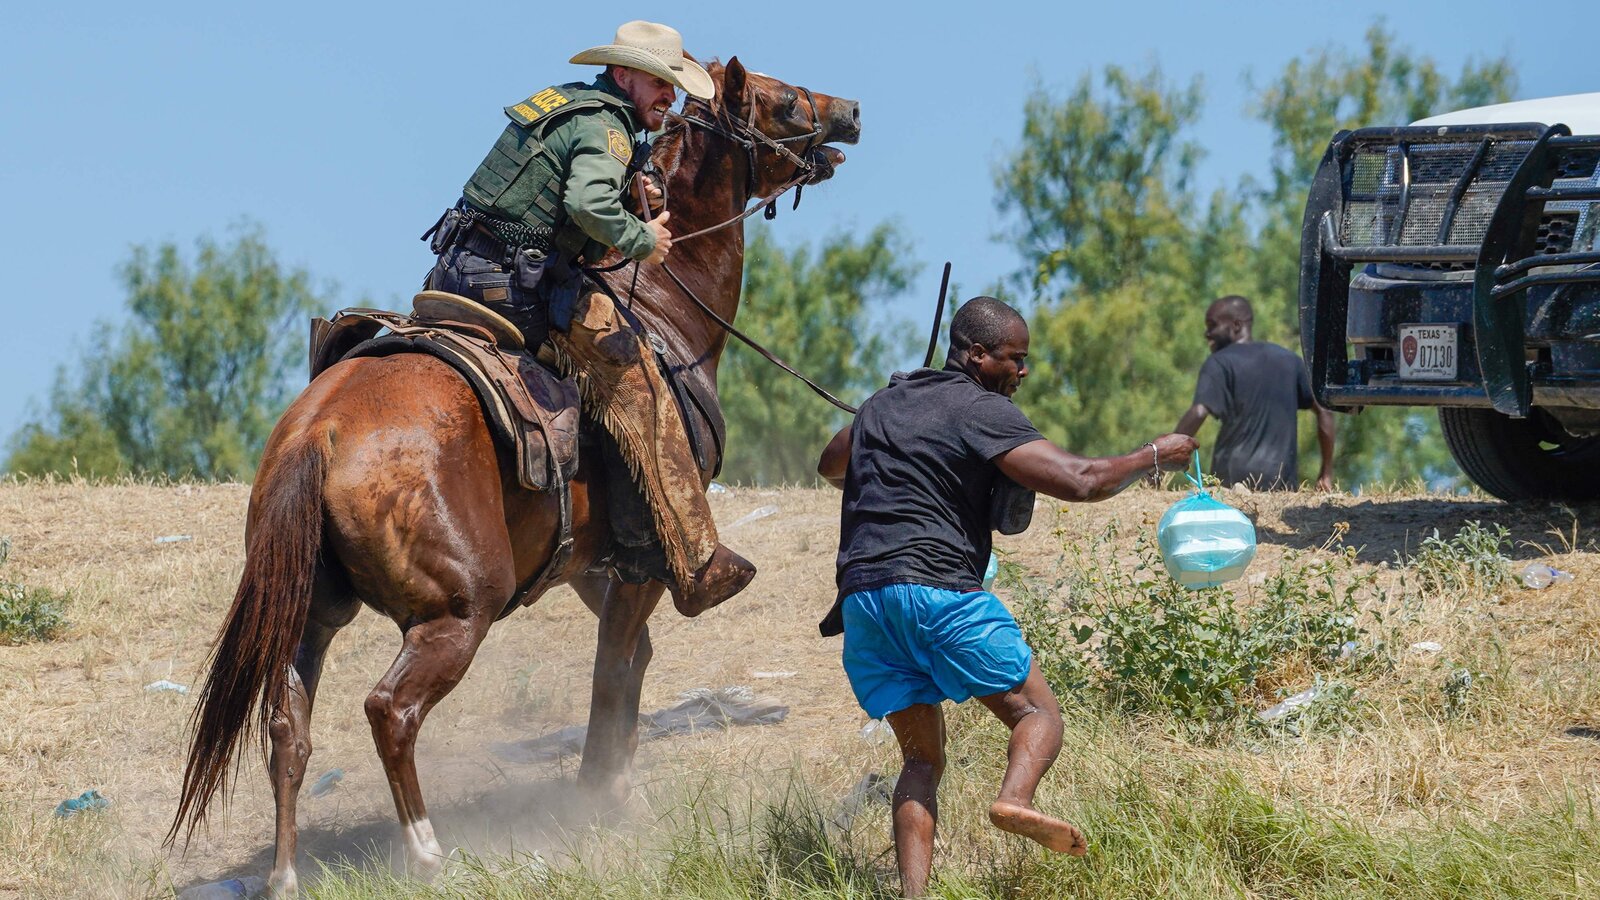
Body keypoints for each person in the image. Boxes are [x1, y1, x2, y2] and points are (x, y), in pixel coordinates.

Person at [816, 297, 1197, 896]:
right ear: (975, 354)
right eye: (1015, 359)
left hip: (864, 604)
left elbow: (831, 463)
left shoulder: (884, 404)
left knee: (920, 763)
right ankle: (1014, 799)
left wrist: (887, 414)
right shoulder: (981, 409)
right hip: (939, 591)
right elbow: (1081, 479)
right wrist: (1154, 455)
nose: (1022, 372)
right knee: (1037, 714)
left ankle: (913, 894)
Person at [421, 21, 753, 614]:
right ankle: (694, 558)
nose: (669, 97)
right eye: (659, 83)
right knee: (642, 380)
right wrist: (642, 238)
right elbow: (586, 203)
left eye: (673, 88)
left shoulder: (568, 107)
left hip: (455, 273)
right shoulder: (609, 128)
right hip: (519, 288)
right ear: (623, 74)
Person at [1175, 295, 1335, 491]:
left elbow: (1199, 412)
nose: (1207, 334)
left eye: (1212, 325)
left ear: (1236, 325)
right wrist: (1326, 472)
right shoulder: (1290, 361)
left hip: (1231, 478)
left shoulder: (1220, 362)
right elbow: (1324, 410)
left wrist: (1160, 459)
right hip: (1281, 483)